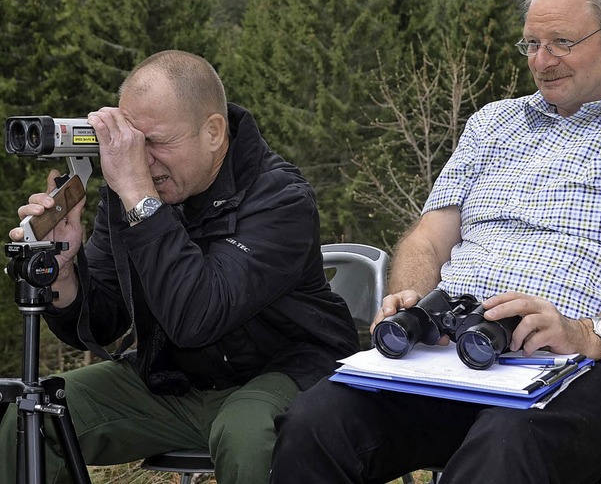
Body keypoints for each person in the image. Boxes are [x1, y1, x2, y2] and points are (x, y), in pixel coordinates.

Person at [269, 0, 601, 484]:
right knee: (315, 424)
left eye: (560, 42)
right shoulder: (493, 123)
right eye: (531, 45)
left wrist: (590, 334)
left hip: (587, 365)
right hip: (451, 351)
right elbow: (429, 237)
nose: (542, 61)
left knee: (505, 449)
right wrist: (410, 297)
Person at [0, 50, 360, 484]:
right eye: (133, 143)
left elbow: (198, 317)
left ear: (213, 132)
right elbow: (105, 317)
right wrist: (64, 273)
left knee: (248, 434)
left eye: (155, 143)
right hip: (176, 382)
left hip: (285, 374)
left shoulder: (280, 198)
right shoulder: (132, 196)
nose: (142, 161)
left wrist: (138, 196)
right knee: (34, 414)